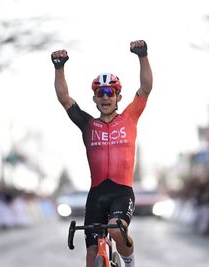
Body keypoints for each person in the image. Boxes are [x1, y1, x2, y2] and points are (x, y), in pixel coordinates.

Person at [51, 40, 152, 267]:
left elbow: (145, 88)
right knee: (90, 256)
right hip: (96, 195)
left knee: (117, 230)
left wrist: (142, 56)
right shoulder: (87, 124)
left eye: (110, 93)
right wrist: (59, 68)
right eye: (100, 93)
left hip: (121, 192)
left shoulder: (129, 118)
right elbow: (64, 99)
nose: (105, 97)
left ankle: (129, 262)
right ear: (95, 98)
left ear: (118, 97)